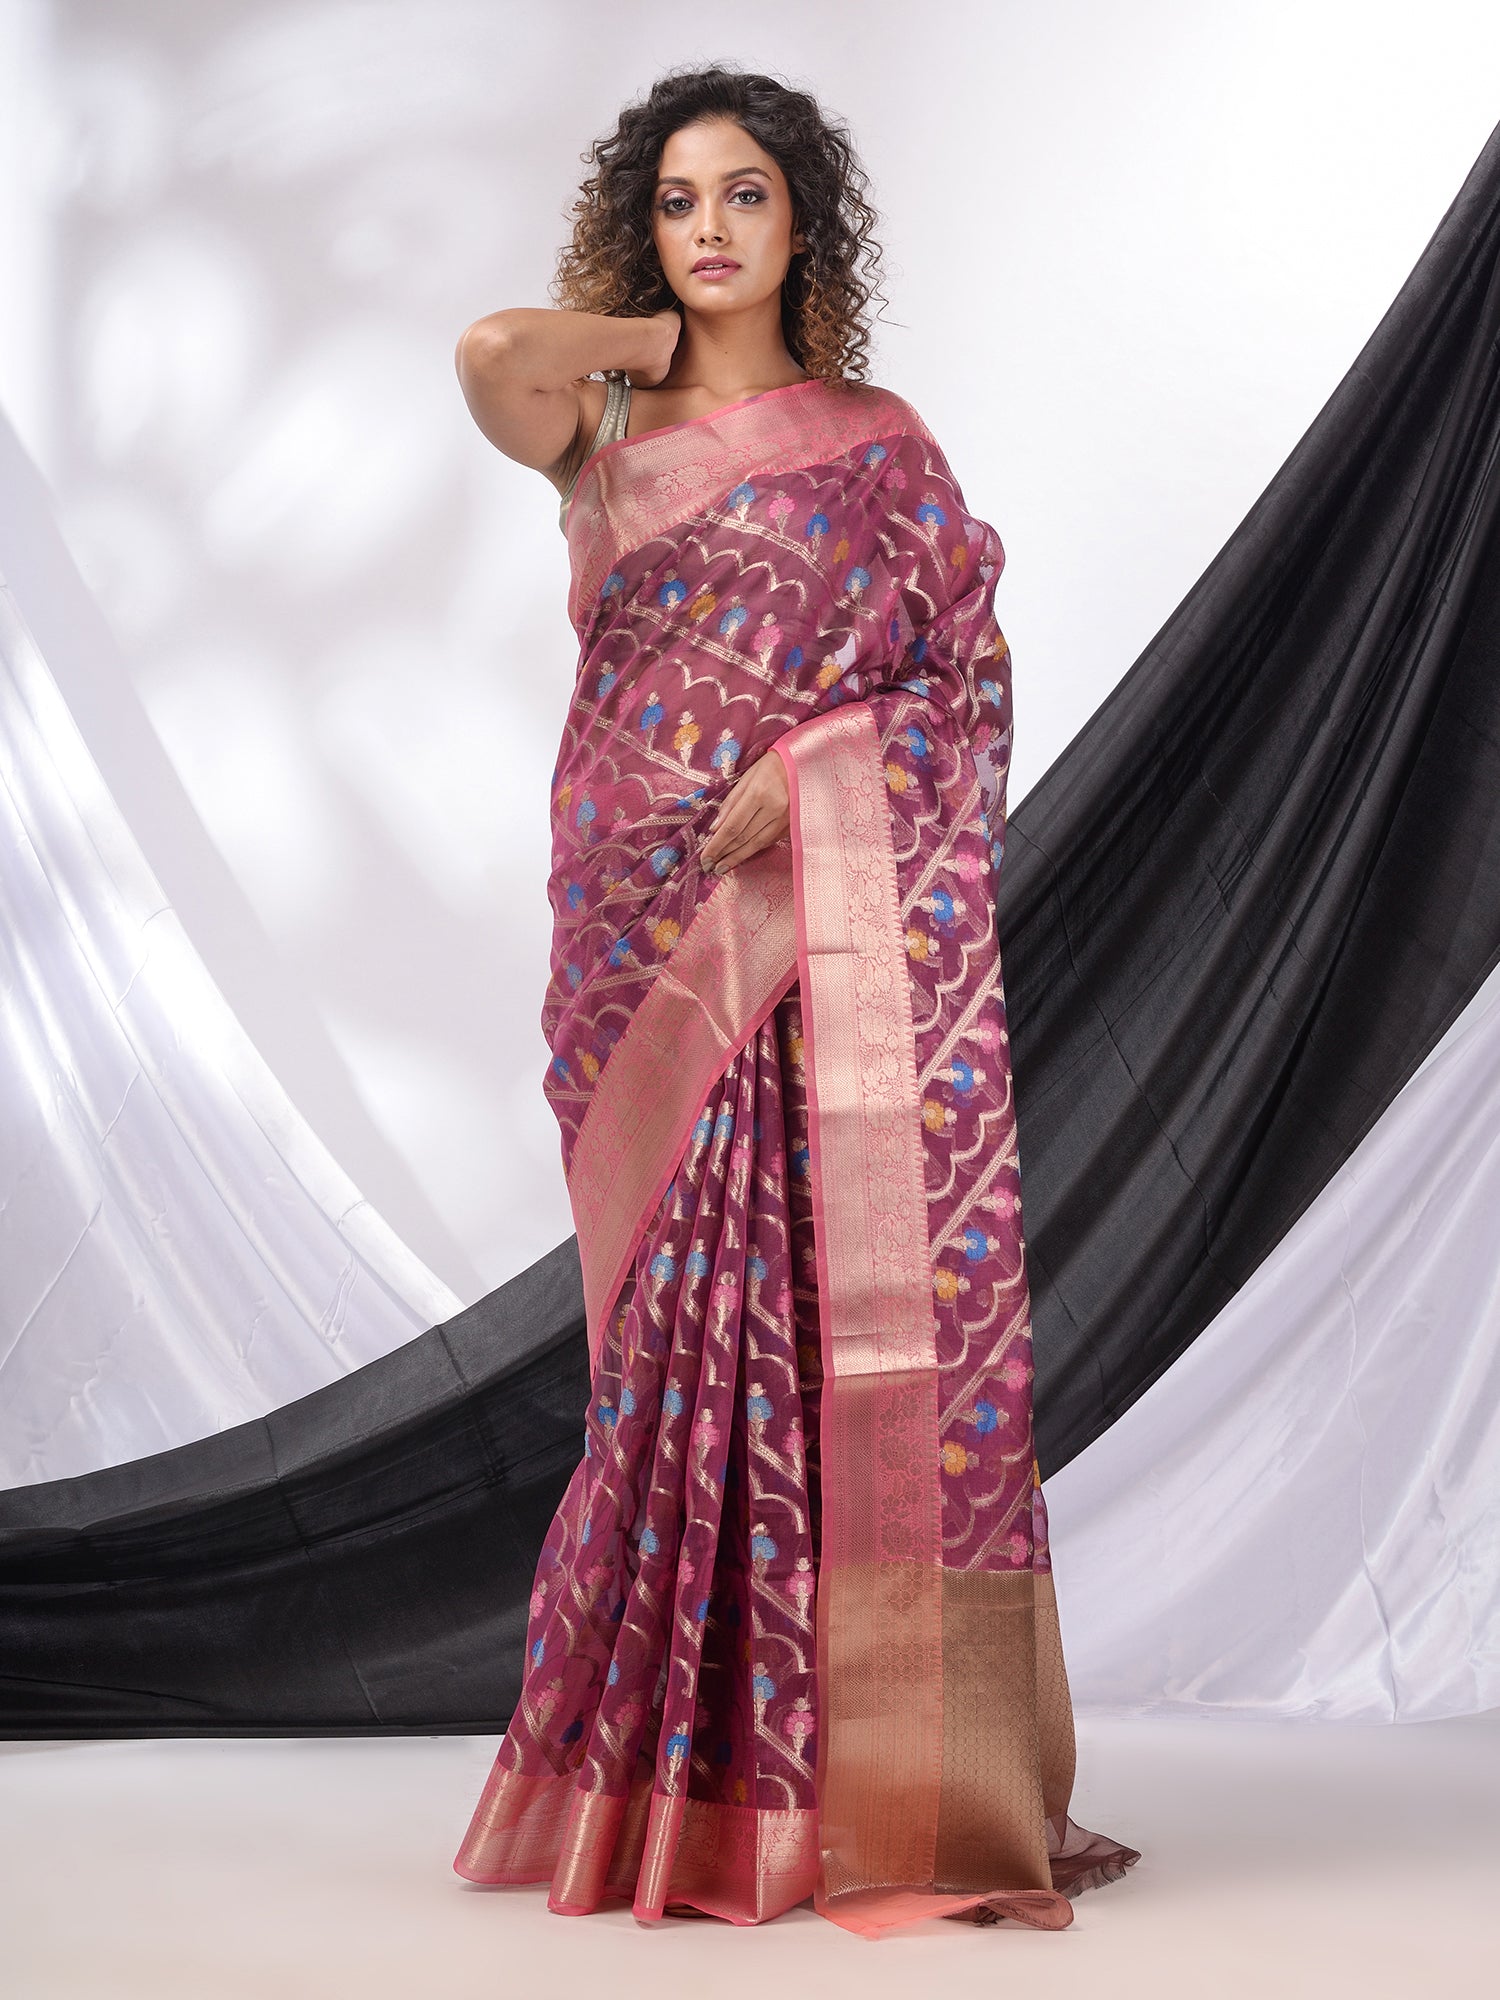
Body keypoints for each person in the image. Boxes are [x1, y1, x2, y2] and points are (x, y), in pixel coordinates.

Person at [450, 63, 1139, 1937]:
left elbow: (964, 696)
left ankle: (868, 1774)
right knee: (671, 1347)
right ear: (641, 229)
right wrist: (657, 330)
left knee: (845, 1313)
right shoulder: (599, 422)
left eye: (746, 196)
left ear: (805, 222)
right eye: (677, 200)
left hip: (824, 929)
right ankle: (675, 1782)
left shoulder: (881, 444)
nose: (712, 227)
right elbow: (492, 350)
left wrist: (826, 765)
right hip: (641, 918)